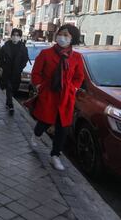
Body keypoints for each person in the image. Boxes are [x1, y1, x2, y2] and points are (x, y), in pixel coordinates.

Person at [30, 24, 84, 171]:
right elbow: (36, 73)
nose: (63, 37)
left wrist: (73, 88)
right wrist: (40, 86)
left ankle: (55, 156)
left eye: (67, 35)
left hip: (66, 97)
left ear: (73, 38)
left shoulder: (77, 57)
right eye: (61, 34)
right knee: (44, 122)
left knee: (63, 128)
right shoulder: (46, 54)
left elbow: (79, 76)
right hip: (49, 94)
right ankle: (36, 135)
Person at [0, 28, 29, 115]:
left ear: (20, 37)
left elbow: (25, 59)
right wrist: (2, 65)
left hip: (16, 72)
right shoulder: (6, 46)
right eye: (14, 35)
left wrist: (20, 68)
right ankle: (11, 105)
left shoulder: (23, 47)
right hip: (7, 71)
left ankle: (8, 102)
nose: (15, 37)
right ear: (11, 36)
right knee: (9, 87)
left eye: (17, 35)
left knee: (14, 89)